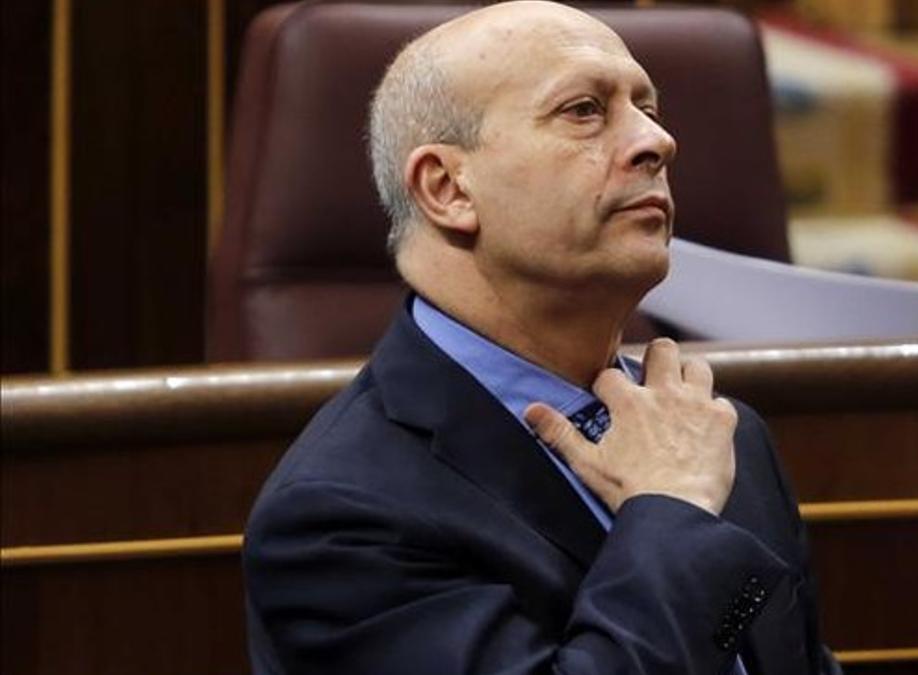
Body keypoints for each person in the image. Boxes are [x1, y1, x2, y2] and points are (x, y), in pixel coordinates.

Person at [242, 3, 838, 673]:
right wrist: (670, 513)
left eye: (649, 108)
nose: (655, 141)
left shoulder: (715, 434)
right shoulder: (338, 518)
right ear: (446, 188)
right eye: (584, 110)